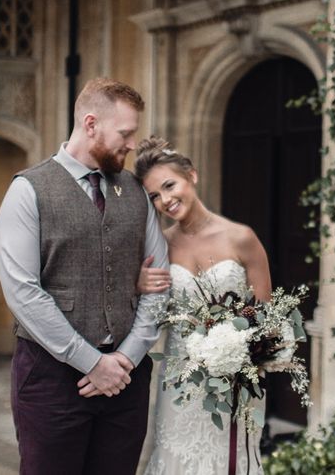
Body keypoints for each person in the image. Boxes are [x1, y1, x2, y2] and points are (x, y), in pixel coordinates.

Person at [0, 77, 169, 475]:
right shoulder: (28, 190)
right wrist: (91, 362)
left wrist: (125, 358)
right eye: (124, 133)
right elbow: (23, 293)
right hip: (51, 380)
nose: (130, 144)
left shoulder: (136, 192)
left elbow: (157, 280)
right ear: (91, 124)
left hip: (127, 380)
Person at [134, 136, 272, 475]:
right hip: (179, 382)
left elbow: (268, 318)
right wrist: (138, 286)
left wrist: (242, 354)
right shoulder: (158, 247)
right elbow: (148, 316)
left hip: (236, 383)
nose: (165, 200)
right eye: (154, 196)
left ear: (191, 176)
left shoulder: (241, 237)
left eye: (169, 185)